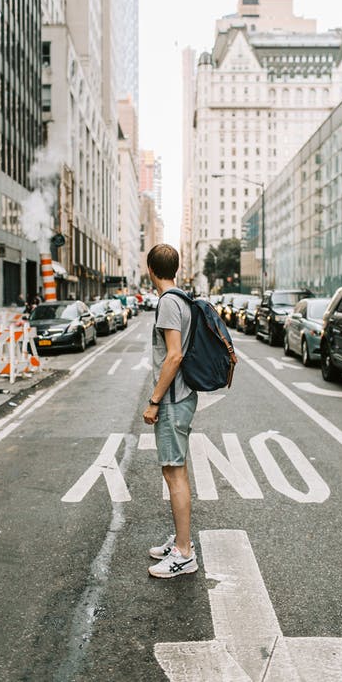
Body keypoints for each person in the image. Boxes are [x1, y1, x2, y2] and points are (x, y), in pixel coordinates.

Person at [143, 243, 198, 579]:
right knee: (177, 471)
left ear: (151, 269)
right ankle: (180, 541)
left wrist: (154, 400)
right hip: (183, 396)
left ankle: (183, 553)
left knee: (173, 473)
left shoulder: (167, 303)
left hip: (173, 400)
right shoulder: (183, 298)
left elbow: (174, 355)